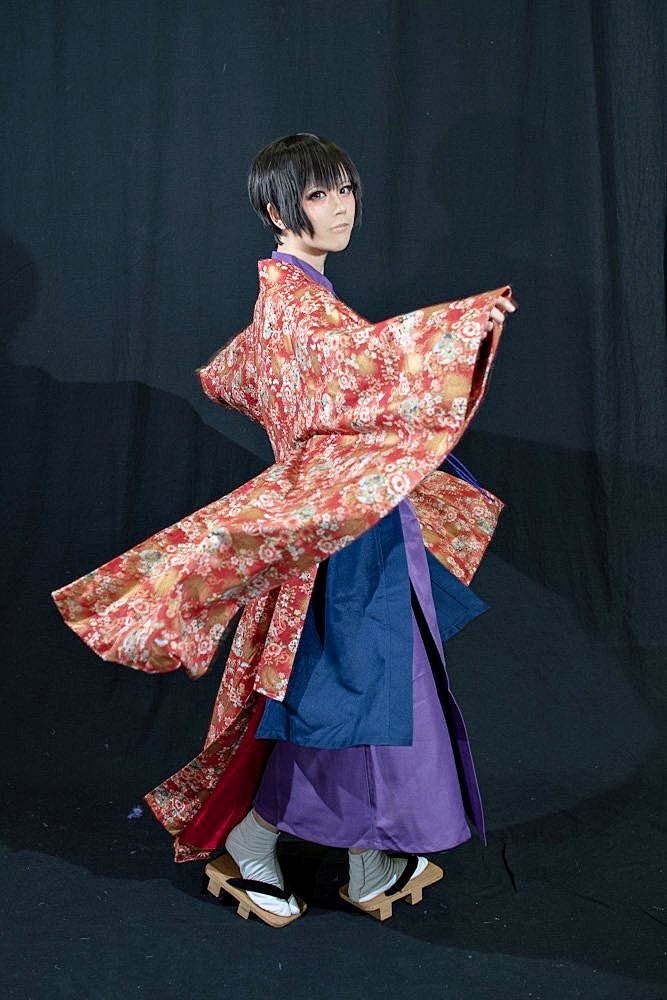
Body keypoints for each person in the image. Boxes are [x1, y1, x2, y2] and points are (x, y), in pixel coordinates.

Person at [51, 132, 516, 928]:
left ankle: (364, 858)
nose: (340, 207)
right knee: (344, 693)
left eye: (345, 189)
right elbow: (361, 364)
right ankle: (256, 841)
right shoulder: (293, 303)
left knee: (376, 690)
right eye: (317, 194)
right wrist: (463, 324)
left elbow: (251, 374)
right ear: (275, 210)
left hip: (352, 518)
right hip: (335, 533)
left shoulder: (302, 300)